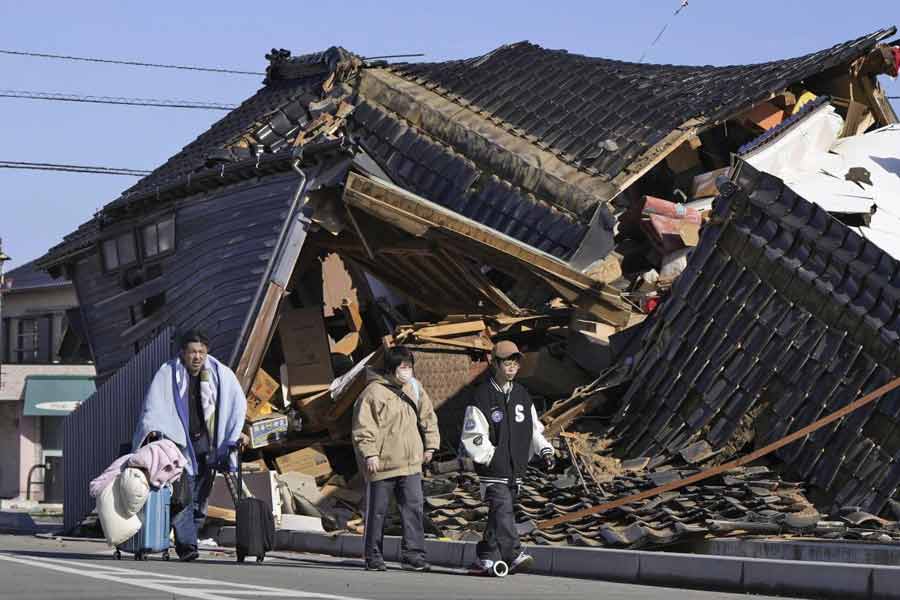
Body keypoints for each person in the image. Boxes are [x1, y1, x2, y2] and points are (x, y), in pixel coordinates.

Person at [133, 329, 247, 561]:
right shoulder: (168, 374)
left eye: (201, 352)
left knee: (201, 499)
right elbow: (154, 406)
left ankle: (186, 538)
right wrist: (153, 431)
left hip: (207, 444)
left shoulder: (220, 375)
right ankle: (187, 546)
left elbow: (236, 404)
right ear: (183, 353)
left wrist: (236, 433)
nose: (197, 357)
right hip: (177, 446)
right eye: (192, 352)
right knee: (183, 495)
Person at [460, 340, 555, 575]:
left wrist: (545, 450)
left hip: (516, 469)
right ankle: (513, 553)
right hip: (493, 469)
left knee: (498, 514)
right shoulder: (482, 395)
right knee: (503, 509)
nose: (512, 366)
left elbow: (533, 429)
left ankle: (485, 556)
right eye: (507, 361)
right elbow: (473, 434)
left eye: (515, 362)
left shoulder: (522, 395)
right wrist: (490, 457)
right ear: (495, 363)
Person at [352, 346, 440, 572]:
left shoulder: (415, 388)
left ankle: (414, 555)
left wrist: (431, 445)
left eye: (410, 367)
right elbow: (364, 428)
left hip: (411, 463)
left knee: (413, 509)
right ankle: (373, 556)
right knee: (378, 512)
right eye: (403, 367)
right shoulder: (373, 393)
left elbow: (428, 417)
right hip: (383, 464)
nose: (407, 371)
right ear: (391, 369)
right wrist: (370, 453)